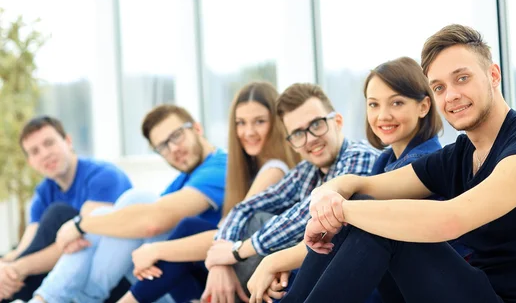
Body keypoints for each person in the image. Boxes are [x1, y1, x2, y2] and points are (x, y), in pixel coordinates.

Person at [282, 24, 516, 303]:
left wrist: (342, 212)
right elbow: (368, 186)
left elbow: (452, 218)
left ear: (493, 76)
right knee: (367, 207)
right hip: (472, 290)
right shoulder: (462, 154)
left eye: (462, 79)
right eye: (439, 87)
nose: (451, 95)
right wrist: (328, 195)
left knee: (376, 221)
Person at [246, 57, 469, 303]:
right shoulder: (384, 161)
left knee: (363, 211)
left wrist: (276, 259)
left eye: (396, 102)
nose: (383, 115)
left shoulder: (427, 161)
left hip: (425, 286)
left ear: (424, 106)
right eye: (373, 105)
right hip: (384, 280)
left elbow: (357, 227)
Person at [116, 81, 300, 303]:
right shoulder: (244, 170)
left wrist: (155, 250)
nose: (248, 132)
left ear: (277, 123)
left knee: (187, 230)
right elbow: (226, 233)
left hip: (262, 270)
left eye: (259, 121)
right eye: (241, 123)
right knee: (181, 243)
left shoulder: (274, 169)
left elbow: (226, 234)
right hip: (242, 261)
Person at [196, 83, 379, 303]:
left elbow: (311, 215)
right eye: (298, 134)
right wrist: (219, 260)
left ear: (337, 122)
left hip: (354, 282)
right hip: (310, 272)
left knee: (257, 227)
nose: (310, 139)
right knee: (253, 220)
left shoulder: (360, 156)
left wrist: (239, 251)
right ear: (292, 143)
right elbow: (246, 206)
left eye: (317, 125)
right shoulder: (306, 171)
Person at [26, 104, 228, 303]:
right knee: (107, 215)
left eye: (176, 136)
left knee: (134, 202)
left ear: (197, 129)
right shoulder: (183, 180)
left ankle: (62, 298)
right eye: (163, 146)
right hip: (160, 280)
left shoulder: (221, 166)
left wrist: (80, 225)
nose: (173, 148)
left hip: (199, 281)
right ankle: (50, 298)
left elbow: (153, 222)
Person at [0, 116, 132, 302]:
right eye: (35, 151)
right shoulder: (44, 192)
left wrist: (17, 269)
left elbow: (86, 241)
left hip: (116, 277)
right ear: (31, 162)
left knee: (59, 215)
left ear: (68, 141)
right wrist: (5, 268)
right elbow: (27, 248)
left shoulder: (104, 176)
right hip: (71, 278)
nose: (44, 154)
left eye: (49, 143)